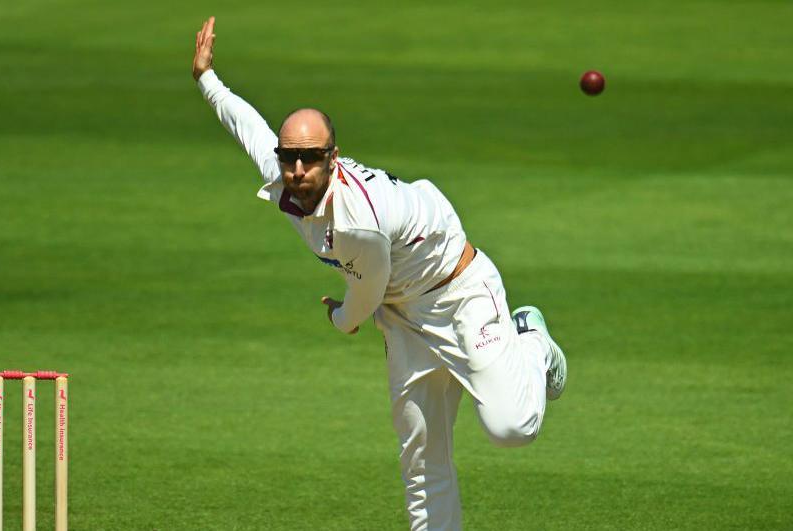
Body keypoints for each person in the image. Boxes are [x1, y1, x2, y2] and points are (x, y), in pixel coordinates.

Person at [191, 16, 567, 531]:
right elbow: (249, 129)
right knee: (421, 459)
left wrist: (340, 321)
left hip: (457, 293)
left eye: (309, 158)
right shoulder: (286, 178)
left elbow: (363, 299)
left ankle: (531, 339)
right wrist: (207, 79)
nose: (296, 169)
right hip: (402, 314)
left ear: (333, 158)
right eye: (289, 158)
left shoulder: (358, 223)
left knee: (512, 427)